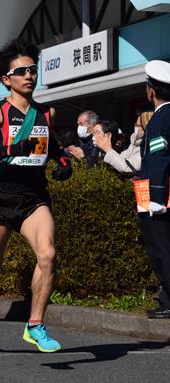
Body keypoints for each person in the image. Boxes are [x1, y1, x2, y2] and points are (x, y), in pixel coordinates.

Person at [0, 39, 72, 352]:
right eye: (21, 71)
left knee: (47, 255)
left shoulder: (45, 114)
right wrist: (10, 150)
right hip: (3, 198)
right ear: (7, 80)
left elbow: (54, 150)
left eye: (32, 70)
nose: (29, 76)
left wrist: (63, 164)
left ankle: (35, 324)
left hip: (35, 198)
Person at [138, 60, 170, 319]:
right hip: (155, 190)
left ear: (151, 90)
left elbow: (158, 158)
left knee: (160, 248)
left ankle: (168, 300)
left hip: (155, 194)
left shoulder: (160, 119)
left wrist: (155, 199)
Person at [94, 111, 154, 175]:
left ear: (146, 127)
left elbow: (128, 168)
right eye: (135, 124)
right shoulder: (133, 144)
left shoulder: (149, 146)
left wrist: (108, 150)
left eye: (138, 125)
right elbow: (121, 159)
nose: (135, 127)